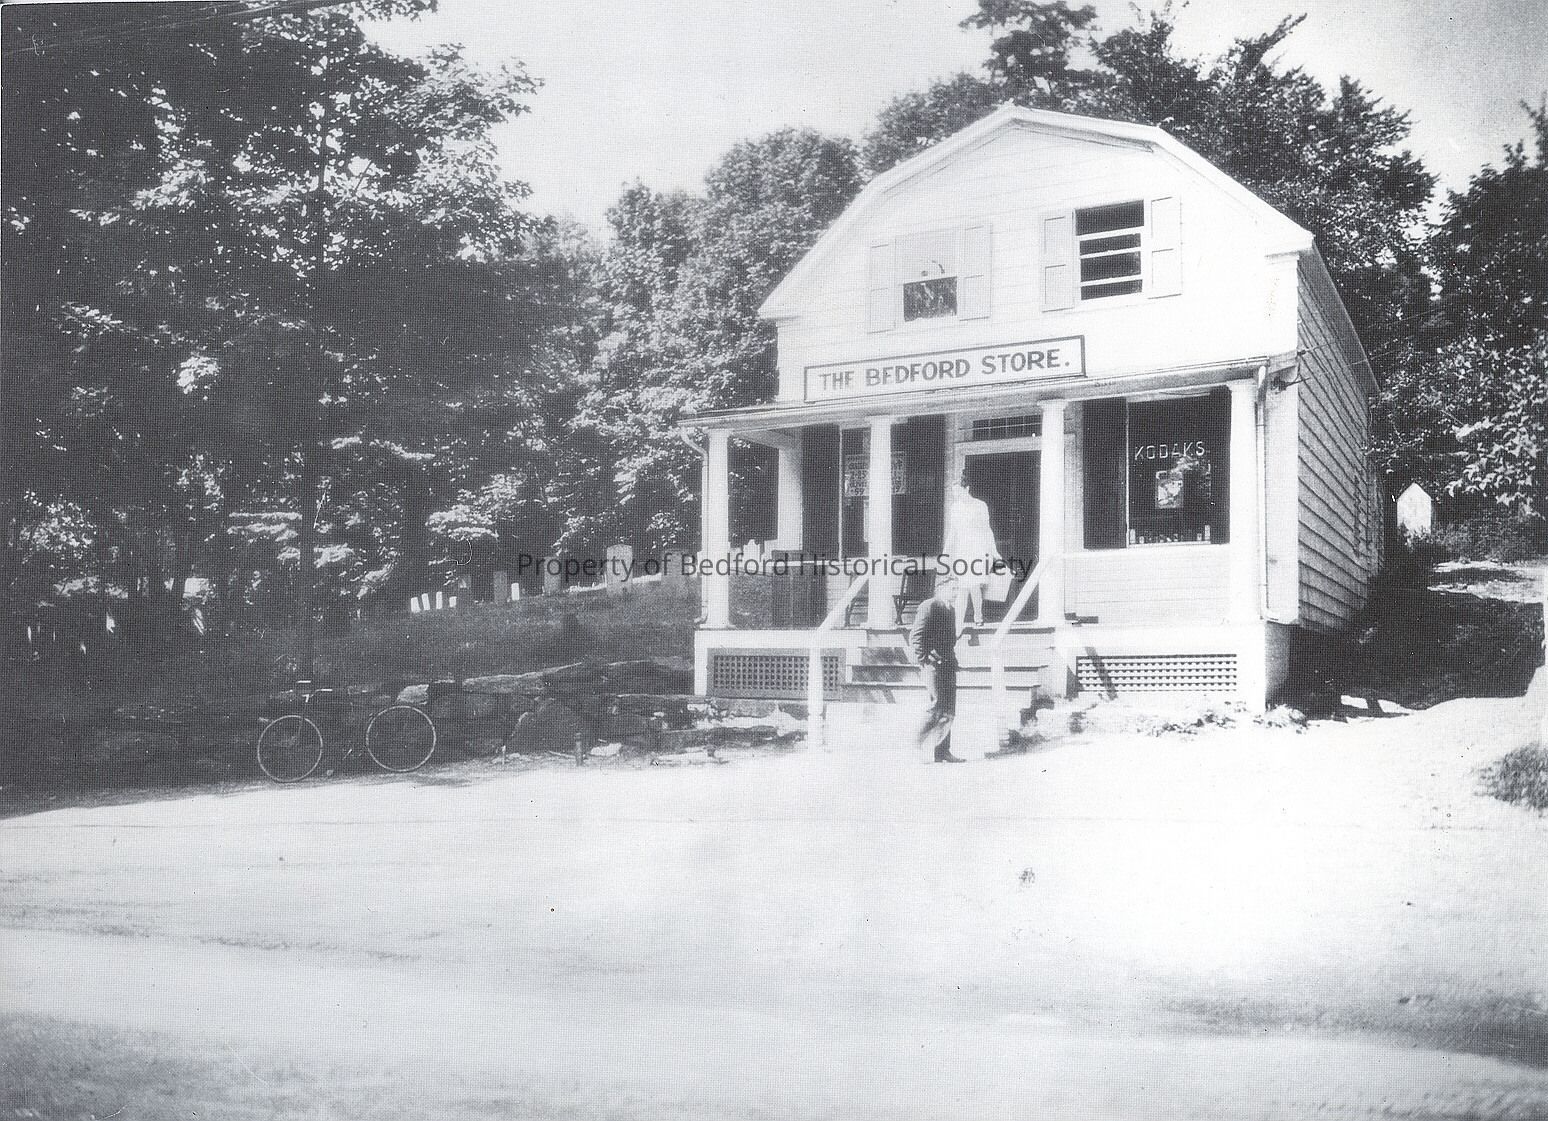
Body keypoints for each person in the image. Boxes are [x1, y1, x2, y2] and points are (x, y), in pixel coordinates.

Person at [909, 575, 965, 763]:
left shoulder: (951, 610)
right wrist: (924, 660)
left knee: (948, 710)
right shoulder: (929, 606)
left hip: (948, 664)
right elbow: (916, 636)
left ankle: (942, 752)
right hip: (933, 664)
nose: (956, 593)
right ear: (941, 589)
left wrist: (953, 660)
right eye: (952, 589)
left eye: (957, 589)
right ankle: (914, 745)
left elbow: (949, 641)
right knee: (936, 706)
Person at [943, 476, 999, 634]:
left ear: (966, 488)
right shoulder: (955, 508)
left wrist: (994, 551)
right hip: (962, 551)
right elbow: (953, 532)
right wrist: (946, 552)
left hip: (977, 549)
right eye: (954, 492)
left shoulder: (980, 506)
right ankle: (959, 623)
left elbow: (987, 530)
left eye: (958, 491)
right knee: (963, 586)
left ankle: (978, 616)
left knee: (974, 586)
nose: (956, 495)